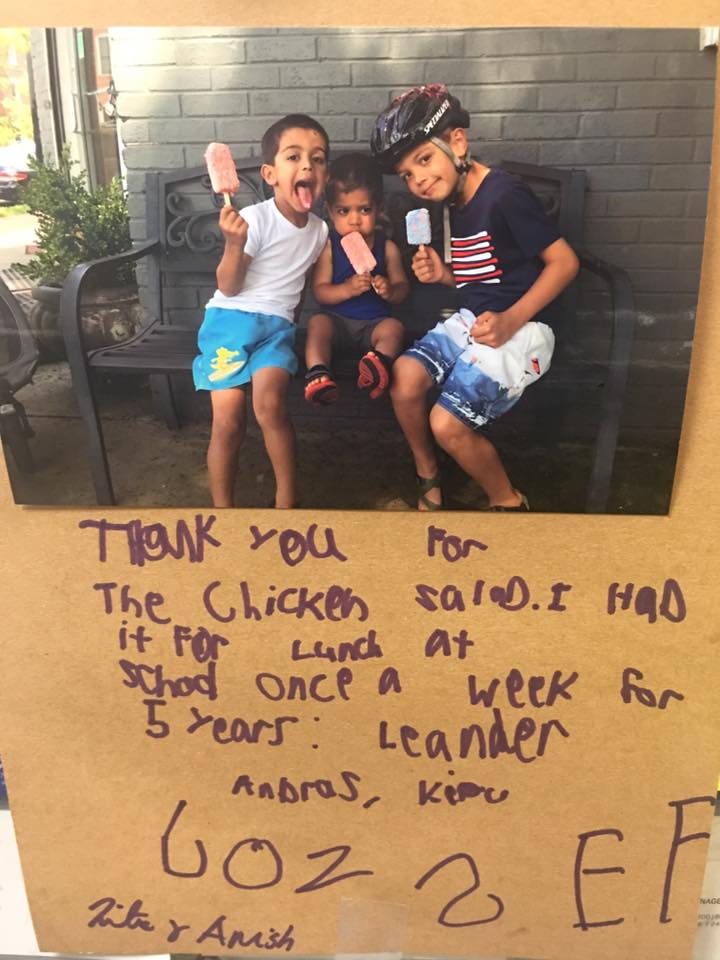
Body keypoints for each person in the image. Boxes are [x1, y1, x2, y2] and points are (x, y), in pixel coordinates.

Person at [370, 84, 580, 511]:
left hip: (527, 327)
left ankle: (508, 502)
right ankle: (429, 474)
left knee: (446, 424)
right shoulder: (455, 202)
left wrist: (511, 320)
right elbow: (483, 278)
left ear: (458, 142)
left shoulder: (504, 194)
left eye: (424, 159)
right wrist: (444, 275)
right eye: (407, 173)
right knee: (405, 379)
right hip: (476, 317)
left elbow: (564, 263)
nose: (418, 179)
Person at [192, 115, 330, 508]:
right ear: (270, 174)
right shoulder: (254, 219)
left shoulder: (320, 231)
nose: (307, 166)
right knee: (229, 419)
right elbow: (228, 286)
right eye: (294, 157)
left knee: (270, 406)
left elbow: (302, 287)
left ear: (325, 174)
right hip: (229, 324)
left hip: (276, 331)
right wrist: (234, 245)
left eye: (318, 159)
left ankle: (286, 503)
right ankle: (222, 511)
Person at [304, 153, 409, 404]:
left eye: (365, 210)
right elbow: (320, 291)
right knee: (317, 323)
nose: (355, 220)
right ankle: (318, 372)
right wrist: (347, 289)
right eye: (344, 211)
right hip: (337, 323)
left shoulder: (387, 248)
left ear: (378, 208)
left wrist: (390, 290)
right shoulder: (330, 247)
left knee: (394, 328)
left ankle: (377, 364)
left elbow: (403, 288)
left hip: (374, 324)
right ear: (330, 212)